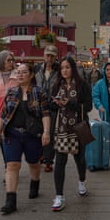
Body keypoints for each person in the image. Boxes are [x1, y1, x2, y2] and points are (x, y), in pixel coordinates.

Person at [0, 63, 51, 214]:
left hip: (32, 135)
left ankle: (35, 182)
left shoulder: (39, 93)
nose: (19, 75)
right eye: (18, 72)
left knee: (33, 163)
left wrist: (46, 132)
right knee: (12, 165)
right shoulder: (11, 92)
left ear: (31, 75)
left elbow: (45, 114)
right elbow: (4, 114)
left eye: (23, 72)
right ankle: (10, 200)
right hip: (12, 134)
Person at [50, 56, 92, 211]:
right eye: (62, 68)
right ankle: (59, 196)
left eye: (67, 67)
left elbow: (88, 106)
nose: (64, 71)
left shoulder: (82, 85)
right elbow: (51, 105)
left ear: (73, 69)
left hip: (79, 127)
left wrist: (71, 104)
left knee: (79, 159)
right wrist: (55, 103)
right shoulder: (56, 85)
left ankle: (82, 181)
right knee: (60, 161)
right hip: (61, 128)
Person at [35, 45, 59, 173]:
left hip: (52, 107)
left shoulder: (59, 70)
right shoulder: (38, 68)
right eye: (47, 55)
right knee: (39, 132)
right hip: (39, 106)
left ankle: (49, 160)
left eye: (52, 56)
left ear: (56, 57)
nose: (49, 58)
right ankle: (41, 156)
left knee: (50, 133)